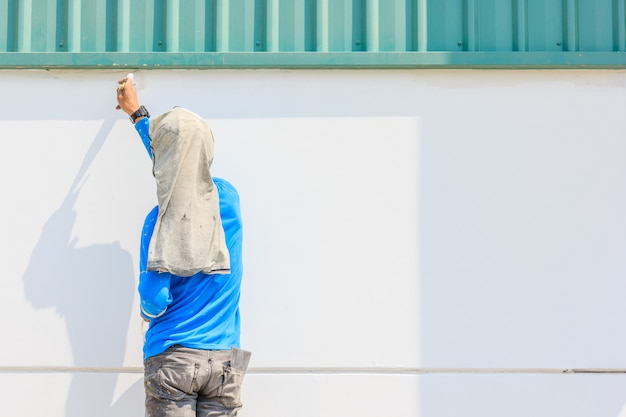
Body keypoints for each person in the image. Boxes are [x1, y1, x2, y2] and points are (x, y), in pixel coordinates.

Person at [116, 76, 251, 417]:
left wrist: (148, 312)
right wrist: (138, 116)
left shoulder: (158, 222)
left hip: (173, 361)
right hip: (224, 363)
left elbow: (154, 301)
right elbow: (184, 164)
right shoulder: (229, 201)